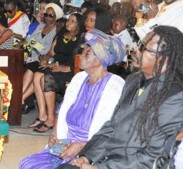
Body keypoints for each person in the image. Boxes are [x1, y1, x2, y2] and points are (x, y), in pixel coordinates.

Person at [56, 25, 183, 169]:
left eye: (143, 48)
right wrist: (86, 157)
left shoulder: (175, 97)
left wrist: (100, 168)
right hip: (106, 159)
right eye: (139, 44)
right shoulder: (134, 80)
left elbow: (152, 158)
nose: (136, 50)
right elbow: (111, 126)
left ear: (164, 59)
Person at [19, 29, 125, 169]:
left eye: (86, 53)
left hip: (91, 151)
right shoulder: (79, 79)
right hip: (65, 144)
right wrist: (55, 134)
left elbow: (111, 131)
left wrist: (81, 147)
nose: (80, 56)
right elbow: (62, 109)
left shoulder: (114, 86)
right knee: (27, 164)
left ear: (100, 59)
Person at [27, 13, 84, 131]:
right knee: (37, 74)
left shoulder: (81, 38)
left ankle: (51, 118)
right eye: (68, 20)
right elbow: (51, 53)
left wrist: (63, 68)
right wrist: (45, 59)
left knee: (46, 78)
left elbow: (80, 60)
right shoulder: (61, 34)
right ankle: (42, 114)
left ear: (79, 24)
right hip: (54, 65)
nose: (68, 23)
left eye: (72, 21)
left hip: (69, 70)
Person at [22, 3, 63, 114]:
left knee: (32, 69)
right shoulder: (40, 26)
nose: (47, 17)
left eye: (51, 15)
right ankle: (20, 99)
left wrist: (33, 43)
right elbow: (30, 43)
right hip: (32, 58)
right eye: (46, 14)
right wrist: (28, 48)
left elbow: (47, 51)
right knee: (26, 67)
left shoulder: (57, 31)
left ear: (56, 17)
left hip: (45, 60)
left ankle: (20, 99)